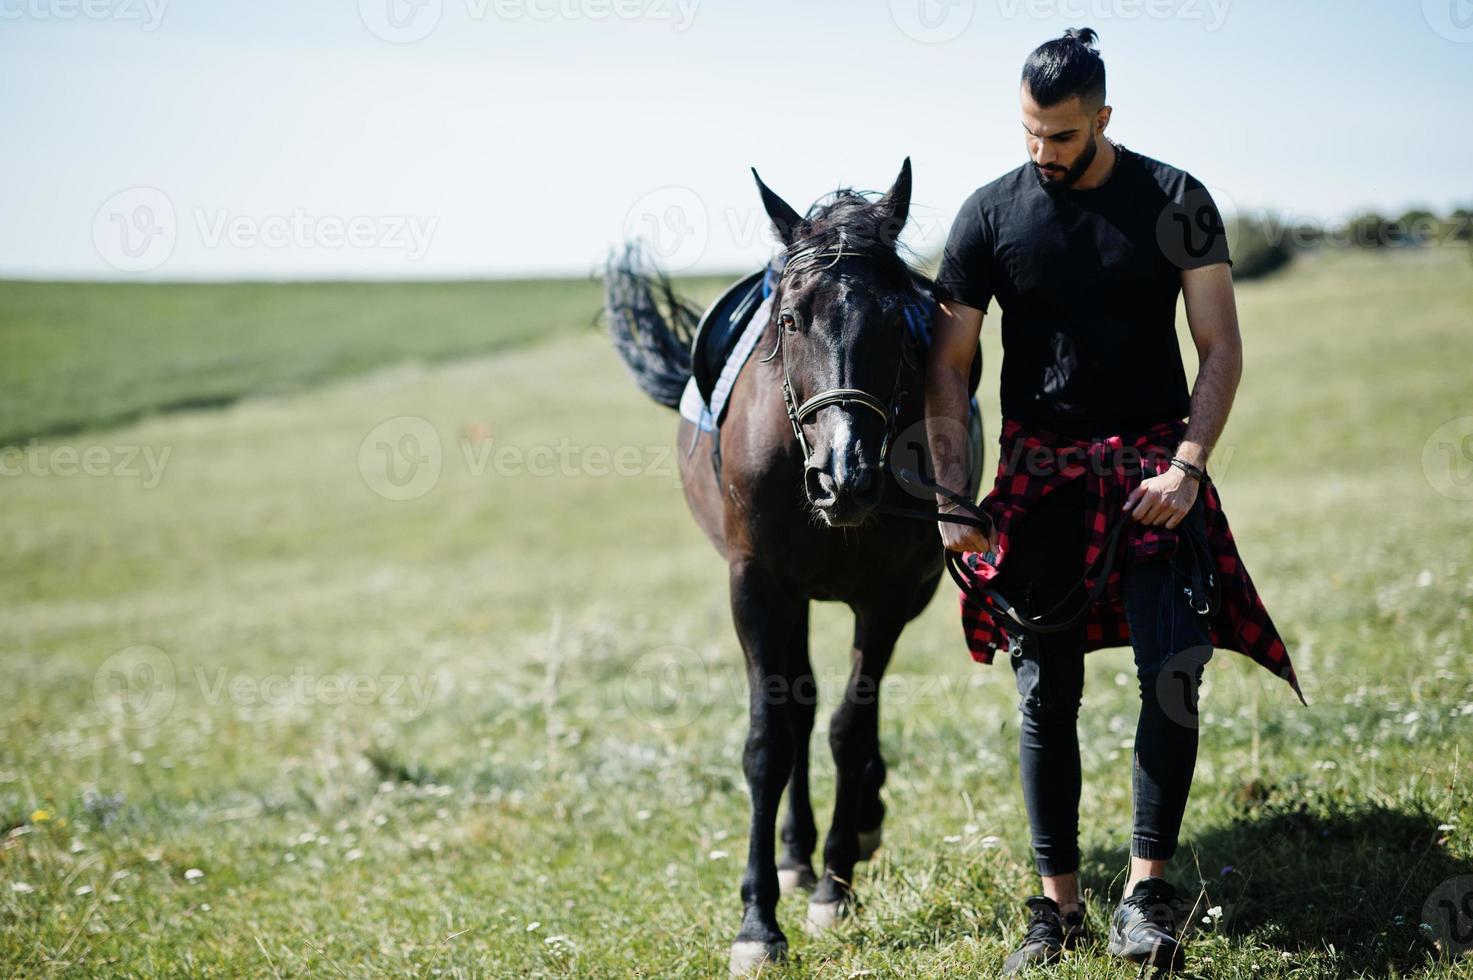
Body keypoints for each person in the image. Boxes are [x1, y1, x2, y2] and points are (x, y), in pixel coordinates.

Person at [923, 27, 1304, 975]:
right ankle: (1054, 911)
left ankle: (1145, 894)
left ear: (1102, 118)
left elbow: (1218, 345)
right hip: (1038, 479)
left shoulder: (1175, 201)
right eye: (1027, 133)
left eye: (1058, 135)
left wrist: (1188, 465)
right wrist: (948, 494)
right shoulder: (986, 216)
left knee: (1172, 675)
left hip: (1153, 478)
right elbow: (947, 368)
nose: (1039, 153)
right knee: (1044, 695)